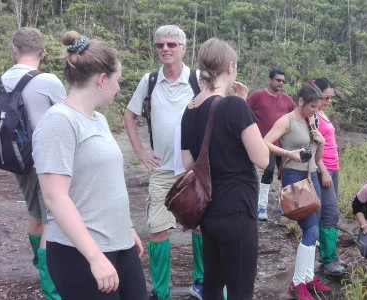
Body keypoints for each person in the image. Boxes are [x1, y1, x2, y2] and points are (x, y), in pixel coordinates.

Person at [32, 31, 147, 300]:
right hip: (80, 252)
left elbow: (107, 182)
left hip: (119, 243)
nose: (119, 88)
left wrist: (127, 227)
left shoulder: (98, 120)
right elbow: (54, 196)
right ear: (102, 79)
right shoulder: (59, 121)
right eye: (117, 80)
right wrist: (95, 258)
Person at [181, 38, 269, 300]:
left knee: (212, 284)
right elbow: (262, 158)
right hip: (237, 210)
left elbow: (188, 163)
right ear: (230, 67)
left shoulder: (190, 108)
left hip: (207, 210)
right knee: (240, 289)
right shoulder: (234, 106)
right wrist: (242, 108)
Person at [123, 25, 204, 300]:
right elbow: (129, 115)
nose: (166, 49)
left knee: (201, 227)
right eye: (160, 45)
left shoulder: (197, 80)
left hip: (194, 170)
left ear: (184, 48)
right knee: (158, 229)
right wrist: (141, 152)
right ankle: (161, 291)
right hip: (162, 170)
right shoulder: (150, 80)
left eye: (171, 44)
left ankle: (201, 283)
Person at [0, 27, 66, 299]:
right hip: (48, 161)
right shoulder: (49, 81)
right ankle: (51, 289)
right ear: (43, 53)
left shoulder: (1, 80)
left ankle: (41, 267)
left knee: (35, 215)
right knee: (52, 221)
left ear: (14, 50)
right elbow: (67, 117)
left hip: (18, 160)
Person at [264, 83, 331, 300]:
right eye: (313, 106)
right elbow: (264, 142)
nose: (316, 110)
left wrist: (320, 143)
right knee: (310, 231)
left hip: (310, 178)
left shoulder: (312, 119)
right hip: (293, 177)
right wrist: (288, 153)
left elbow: (317, 158)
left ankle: (309, 278)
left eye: (318, 106)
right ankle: (296, 283)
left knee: (315, 230)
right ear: (300, 101)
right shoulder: (287, 120)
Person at [247, 69, 295, 221]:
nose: (281, 83)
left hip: (283, 143)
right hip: (264, 142)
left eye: (282, 81)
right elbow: (245, 113)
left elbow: (295, 115)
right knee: (267, 172)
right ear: (270, 80)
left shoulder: (286, 99)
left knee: (286, 173)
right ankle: (262, 206)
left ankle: (284, 206)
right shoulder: (257, 96)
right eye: (278, 80)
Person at [314, 77, 348, 276]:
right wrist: (323, 170)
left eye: (331, 98)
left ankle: (327, 253)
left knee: (328, 213)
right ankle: (329, 260)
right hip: (323, 170)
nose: (329, 101)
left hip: (333, 169)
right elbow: (311, 145)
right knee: (331, 213)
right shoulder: (313, 116)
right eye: (325, 97)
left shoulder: (322, 113)